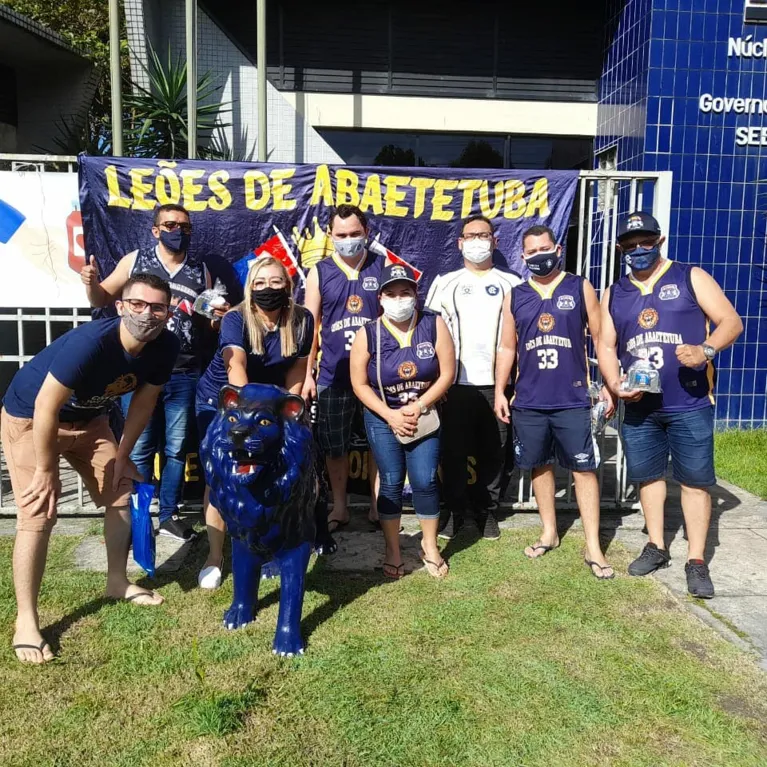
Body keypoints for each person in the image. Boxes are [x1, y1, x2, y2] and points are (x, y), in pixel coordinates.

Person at [2, 274, 180, 664]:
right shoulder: (91, 343)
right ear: (120, 306)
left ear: (168, 313)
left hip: (91, 420)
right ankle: (26, 621)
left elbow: (143, 403)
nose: (146, 314)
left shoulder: (166, 345)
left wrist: (123, 454)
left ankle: (116, 581)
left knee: (120, 490)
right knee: (38, 511)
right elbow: (46, 406)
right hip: (32, 418)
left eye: (156, 307)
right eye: (137, 304)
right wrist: (46, 469)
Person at [599, 212, 743, 597]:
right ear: (620, 249)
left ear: (659, 241)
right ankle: (657, 545)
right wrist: (613, 384)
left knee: (695, 481)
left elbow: (731, 321)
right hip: (641, 404)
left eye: (645, 242)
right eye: (630, 245)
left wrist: (706, 349)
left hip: (689, 400)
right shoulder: (615, 291)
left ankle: (696, 560)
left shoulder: (690, 276)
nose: (638, 250)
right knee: (648, 477)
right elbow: (606, 344)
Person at [81, 203, 227, 541]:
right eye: (171, 224)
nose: (179, 231)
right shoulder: (135, 261)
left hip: (184, 370)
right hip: (139, 368)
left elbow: (206, 323)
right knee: (140, 446)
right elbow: (101, 298)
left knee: (176, 449)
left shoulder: (200, 270)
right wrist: (90, 283)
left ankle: (169, 515)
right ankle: (137, 515)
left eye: (185, 226)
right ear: (155, 230)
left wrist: (218, 317)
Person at [495, 225, 615, 578]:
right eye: (531, 252)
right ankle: (549, 531)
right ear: (523, 256)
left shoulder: (579, 287)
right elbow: (506, 347)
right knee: (539, 465)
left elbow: (600, 338)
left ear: (558, 248)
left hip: (572, 396)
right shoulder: (515, 295)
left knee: (583, 468)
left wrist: (609, 383)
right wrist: (501, 389)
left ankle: (593, 546)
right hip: (530, 399)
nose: (538, 256)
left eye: (544, 248)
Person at [194, 256, 314, 589]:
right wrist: (255, 415)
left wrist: (288, 413)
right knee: (220, 479)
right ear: (249, 287)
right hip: (227, 401)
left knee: (272, 475)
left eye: (275, 282)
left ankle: (270, 547)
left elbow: (296, 370)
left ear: (288, 286)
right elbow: (237, 370)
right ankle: (215, 556)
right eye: (259, 283)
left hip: (270, 405)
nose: (268, 288)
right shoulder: (236, 318)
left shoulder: (303, 319)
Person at [350, 264, 455, 578]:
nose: (399, 299)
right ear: (381, 297)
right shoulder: (368, 333)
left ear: (415, 294)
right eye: (392, 293)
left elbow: (447, 373)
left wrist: (421, 404)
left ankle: (430, 545)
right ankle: (392, 549)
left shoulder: (434, 324)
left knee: (424, 480)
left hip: (424, 415)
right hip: (384, 417)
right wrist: (391, 416)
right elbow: (359, 383)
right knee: (392, 481)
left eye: (405, 292)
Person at [425, 215, 522, 541]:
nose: (478, 241)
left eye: (484, 235)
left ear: (495, 241)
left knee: (494, 453)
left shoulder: (512, 283)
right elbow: (429, 334)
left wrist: (513, 384)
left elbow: (520, 338)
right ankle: (453, 511)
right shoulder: (445, 282)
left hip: (498, 385)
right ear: (460, 243)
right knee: (452, 452)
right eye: (471, 235)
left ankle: (486, 512)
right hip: (454, 386)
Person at [302, 204, 384, 533]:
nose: (348, 240)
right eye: (341, 235)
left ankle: (380, 506)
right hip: (332, 375)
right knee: (334, 446)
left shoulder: (382, 267)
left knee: (380, 443)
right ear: (330, 236)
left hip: (377, 374)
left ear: (367, 233)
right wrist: (307, 374)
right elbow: (309, 328)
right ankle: (340, 505)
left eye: (354, 234)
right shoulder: (319, 271)